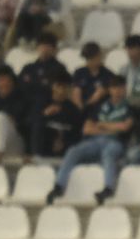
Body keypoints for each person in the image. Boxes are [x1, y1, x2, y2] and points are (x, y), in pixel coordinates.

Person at [48, 74, 133, 205]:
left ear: (125, 89)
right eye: (114, 87)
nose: (117, 91)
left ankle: (108, 188)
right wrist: (112, 128)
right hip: (94, 141)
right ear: (109, 89)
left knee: (109, 153)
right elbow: (86, 129)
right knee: (73, 151)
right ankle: (58, 186)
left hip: (115, 142)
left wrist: (102, 124)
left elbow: (125, 127)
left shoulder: (130, 107)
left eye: (120, 87)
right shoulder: (100, 106)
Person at [30, 75, 84, 159]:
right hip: (44, 148)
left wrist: (64, 144)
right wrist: (45, 114)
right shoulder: (42, 104)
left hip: (66, 150)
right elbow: (31, 123)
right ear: (53, 86)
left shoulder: (73, 109)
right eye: (59, 86)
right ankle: (37, 157)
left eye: (65, 87)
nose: (62, 90)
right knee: (38, 126)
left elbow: (77, 133)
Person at [71, 41, 113, 109]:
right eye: (88, 58)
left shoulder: (107, 74)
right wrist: (79, 108)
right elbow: (76, 93)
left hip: (101, 110)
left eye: (95, 57)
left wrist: (86, 106)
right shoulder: (79, 72)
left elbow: (99, 95)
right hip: (82, 109)